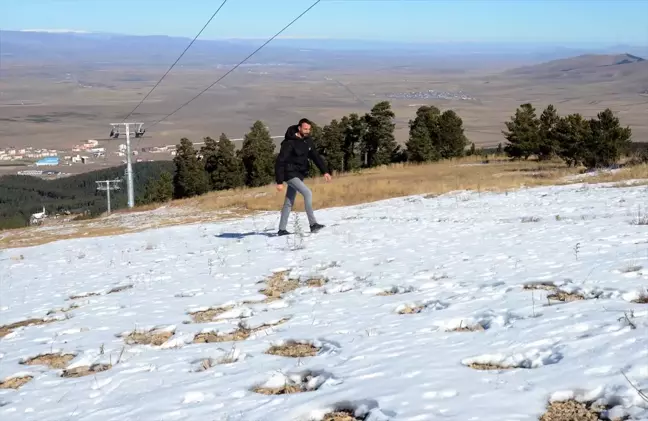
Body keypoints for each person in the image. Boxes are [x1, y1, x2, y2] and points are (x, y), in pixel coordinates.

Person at [275, 118, 332, 236]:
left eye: (309, 129)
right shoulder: (289, 143)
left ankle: (281, 229)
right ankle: (313, 224)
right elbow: (280, 161)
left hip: (299, 173)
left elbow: (315, 156)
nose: (307, 131)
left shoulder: (307, 141)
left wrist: (325, 171)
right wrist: (279, 181)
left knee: (289, 201)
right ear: (299, 128)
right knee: (307, 193)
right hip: (289, 173)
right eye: (305, 129)